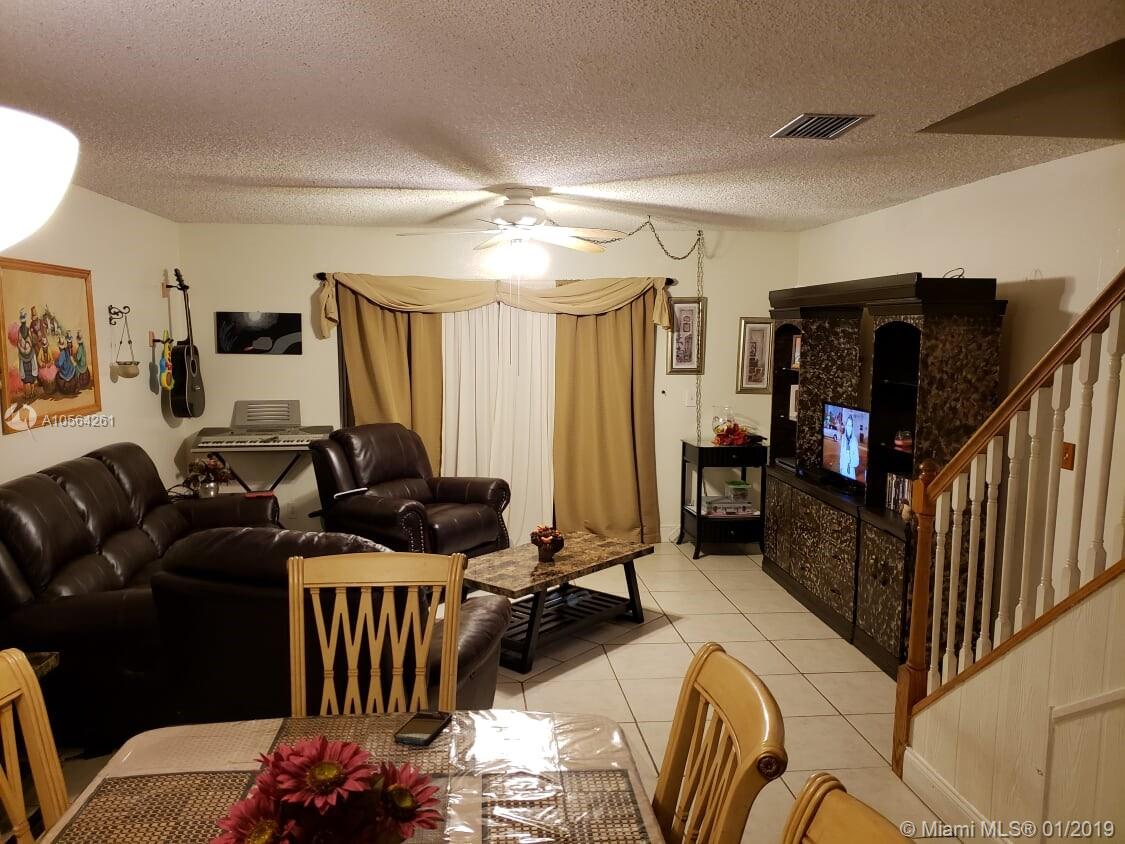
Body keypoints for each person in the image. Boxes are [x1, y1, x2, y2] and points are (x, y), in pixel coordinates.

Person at [840, 413, 861, 480]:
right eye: (848, 425)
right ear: (846, 426)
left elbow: (857, 460)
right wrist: (841, 467)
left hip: (850, 470)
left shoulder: (854, 440)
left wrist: (850, 464)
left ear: (852, 427)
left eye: (851, 425)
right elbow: (841, 454)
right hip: (843, 468)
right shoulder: (843, 438)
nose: (849, 427)